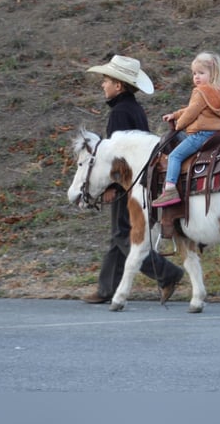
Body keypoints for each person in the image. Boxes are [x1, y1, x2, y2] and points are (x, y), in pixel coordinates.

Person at [81, 55, 184, 305]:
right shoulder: (134, 109)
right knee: (119, 235)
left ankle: (167, 273)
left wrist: (112, 186)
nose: (102, 85)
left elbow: (116, 157)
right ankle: (106, 289)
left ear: (118, 86)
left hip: (126, 183)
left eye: (106, 80)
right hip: (138, 179)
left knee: (123, 234)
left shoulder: (119, 113)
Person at [152, 51, 220, 207]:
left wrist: (178, 125)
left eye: (201, 73)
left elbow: (190, 113)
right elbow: (192, 108)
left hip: (201, 135)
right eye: (194, 73)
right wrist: (175, 114)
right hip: (218, 133)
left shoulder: (201, 92)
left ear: (213, 73)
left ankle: (170, 190)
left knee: (175, 156)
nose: (196, 77)